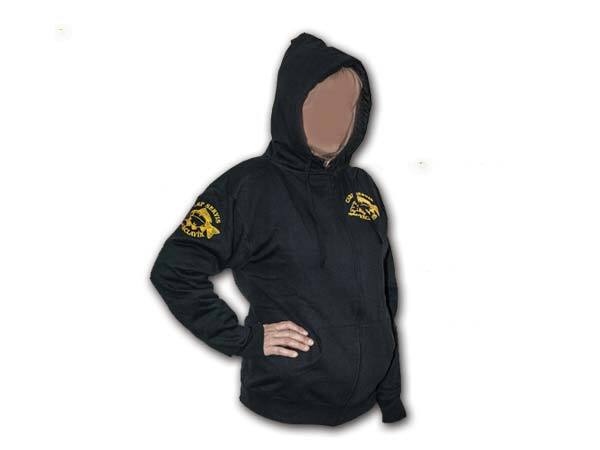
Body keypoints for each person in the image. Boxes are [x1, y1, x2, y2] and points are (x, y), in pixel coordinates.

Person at [150, 32, 407, 426]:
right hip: (279, 415)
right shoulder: (248, 186)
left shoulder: (362, 187)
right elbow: (174, 270)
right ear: (292, 103)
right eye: (322, 103)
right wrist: (245, 339)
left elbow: (382, 297)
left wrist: (390, 398)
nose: (338, 118)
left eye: (348, 105)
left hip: (365, 415)